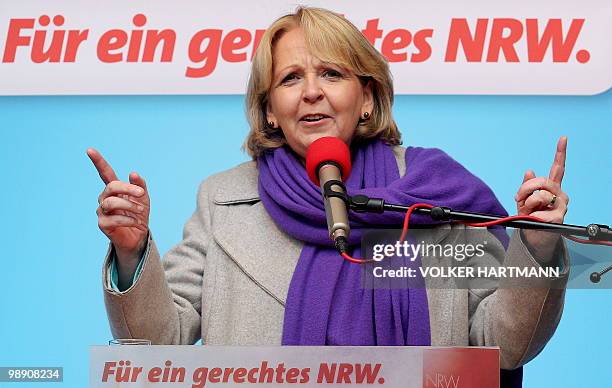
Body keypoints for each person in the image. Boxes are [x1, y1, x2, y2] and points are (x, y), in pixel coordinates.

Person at [87, 7, 569, 388]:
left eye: (332, 74)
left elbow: (501, 345)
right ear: (270, 110)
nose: (312, 92)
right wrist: (132, 254)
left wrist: (538, 246)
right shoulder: (223, 200)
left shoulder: (436, 192)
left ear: (366, 97)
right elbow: (158, 341)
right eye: (290, 78)